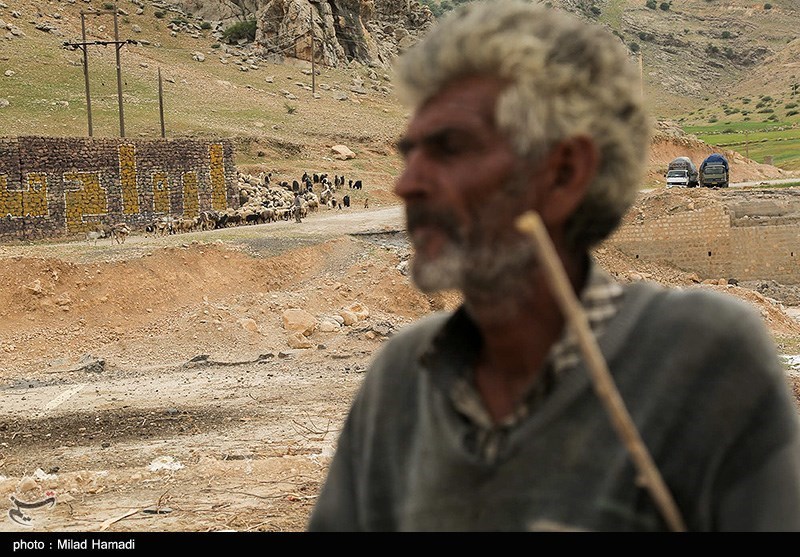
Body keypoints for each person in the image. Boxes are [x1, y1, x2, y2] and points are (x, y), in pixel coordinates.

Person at [307, 0, 800, 532]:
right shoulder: (399, 381)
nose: (407, 183)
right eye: (410, 152)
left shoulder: (704, 359)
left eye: (450, 148)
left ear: (564, 173)